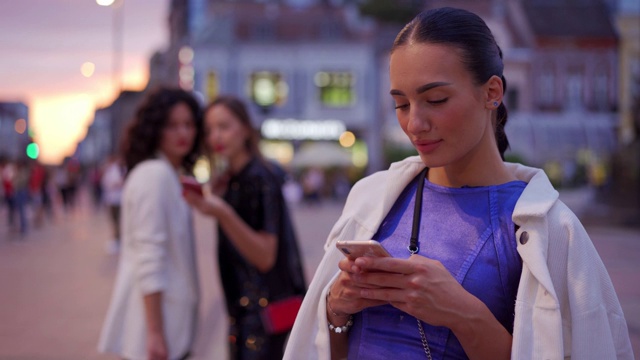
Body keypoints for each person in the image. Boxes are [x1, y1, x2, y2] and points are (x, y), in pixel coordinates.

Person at [284, 7, 633, 360]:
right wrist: (335, 310)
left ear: (492, 92)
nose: (415, 123)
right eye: (401, 104)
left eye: (436, 100)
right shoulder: (371, 199)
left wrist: (465, 315)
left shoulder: (552, 230)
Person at [183, 95, 306, 359]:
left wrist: (223, 212)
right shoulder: (235, 179)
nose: (216, 136)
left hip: (263, 318)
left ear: (246, 129)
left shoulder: (259, 177)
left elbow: (265, 256)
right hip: (244, 314)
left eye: (224, 127)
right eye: (209, 130)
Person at [98, 87, 203, 360]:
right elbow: (149, 255)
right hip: (159, 327)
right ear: (155, 128)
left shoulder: (167, 173)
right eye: (172, 125)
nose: (183, 133)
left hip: (169, 321)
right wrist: (155, 332)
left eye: (189, 124)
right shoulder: (154, 175)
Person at [100, 153, 125, 254]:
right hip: (112, 199)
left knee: (117, 221)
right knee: (114, 220)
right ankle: (116, 239)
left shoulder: (117, 169)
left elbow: (118, 182)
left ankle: (118, 240)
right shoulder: (111, 170)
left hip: (117, 199)